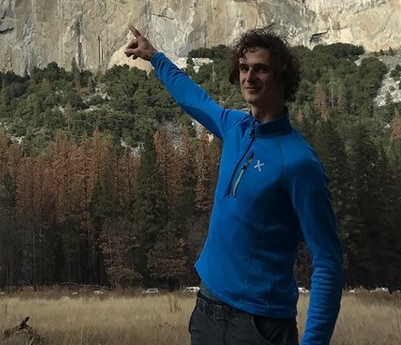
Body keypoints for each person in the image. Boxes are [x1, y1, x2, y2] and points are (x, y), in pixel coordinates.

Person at [124, 24, 342, 345]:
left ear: (282, 77)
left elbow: (328, 261)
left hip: (259, 325)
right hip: (208, 310)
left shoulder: (300, 162)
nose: (249, 77)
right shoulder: (236, 126)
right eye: (243, 68)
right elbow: (193, 98)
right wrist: (154, 56)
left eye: (261, 69)